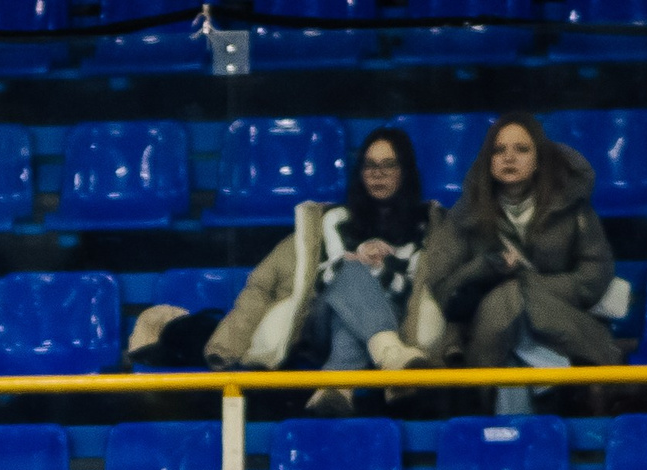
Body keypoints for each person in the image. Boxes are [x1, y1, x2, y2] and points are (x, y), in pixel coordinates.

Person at [135, 128, 448, 417]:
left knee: (351, 315)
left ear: (405, 171)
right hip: (318, 327)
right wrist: (227, 345)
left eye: (389, 165)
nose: (378, 174)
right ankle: (392, 358)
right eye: (370, 165)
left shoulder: (428, 228)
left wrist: (386, 264)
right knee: (349, 270)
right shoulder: (330, 222)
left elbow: (431, 289)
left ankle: (336, 386)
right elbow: (263, 285)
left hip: (393, 321)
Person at [423, 112, 619, 374]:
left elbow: (595, 275)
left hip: (559, 318)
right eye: (499, 150)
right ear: (488, 162)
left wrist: (528, 287)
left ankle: (478, 398)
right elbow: (441, 284)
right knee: (505, 301)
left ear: (538, 160)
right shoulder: (466, 213)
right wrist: (483, 267)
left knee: (513, 295)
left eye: (522, 149)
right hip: (482, 329)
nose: (509, 157)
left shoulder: (571, 206)